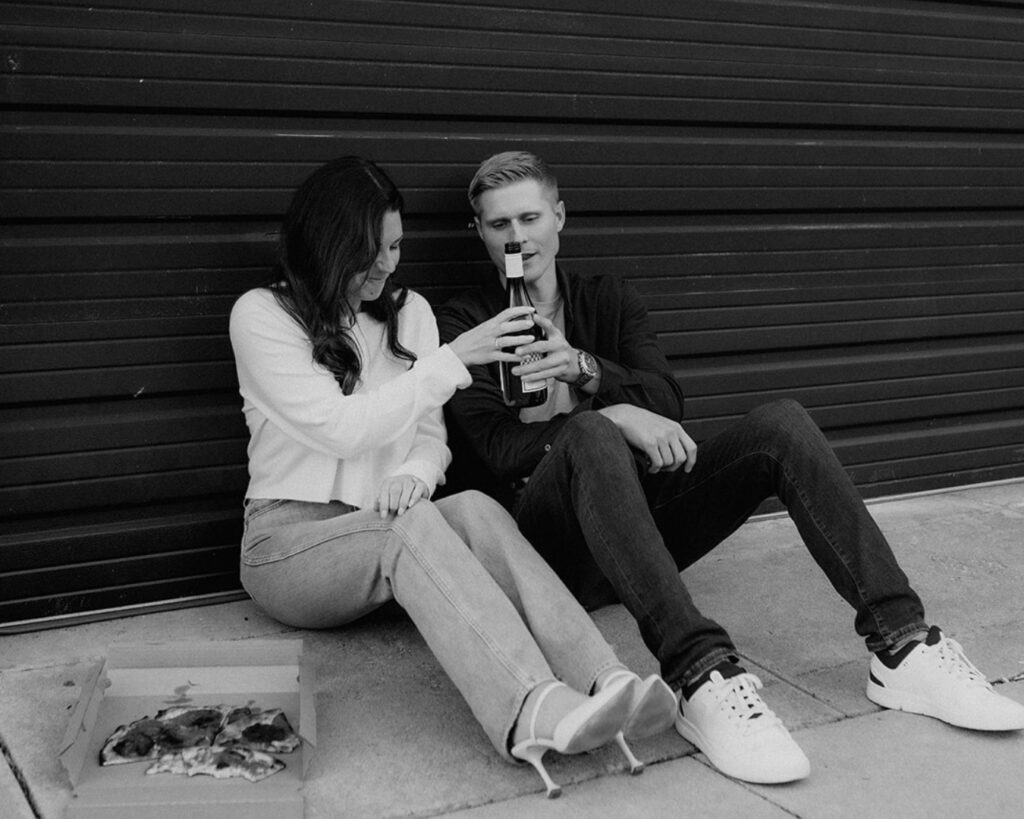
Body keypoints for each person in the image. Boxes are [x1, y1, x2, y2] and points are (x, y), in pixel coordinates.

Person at [435, 150, 1024, 785]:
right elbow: (497, 449)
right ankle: (700, 675)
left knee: (781, 424)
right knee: (590, 432)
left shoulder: (608, 299)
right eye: (499, 226)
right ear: (482, 235)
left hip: (637, 531)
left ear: (559, 217)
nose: (517, 237)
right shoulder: (468, 322)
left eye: (529, 218)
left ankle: (902, 644)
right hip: (547, 550)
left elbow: (667, 400)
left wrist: (588, 369)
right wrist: (616, 419)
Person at [227, 156, 678, 798]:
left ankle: (605, 682)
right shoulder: (262, 316)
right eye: (371, 252)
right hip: (289, 545)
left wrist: (414, 470)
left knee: (473, 506)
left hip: (389, 524)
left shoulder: (409, 312)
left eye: (396, 247)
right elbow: (339, 427)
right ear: (328, 247)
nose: (388, 267)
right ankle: (529, 708)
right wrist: (452, 361)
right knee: (413, 529)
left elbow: (430, 438)